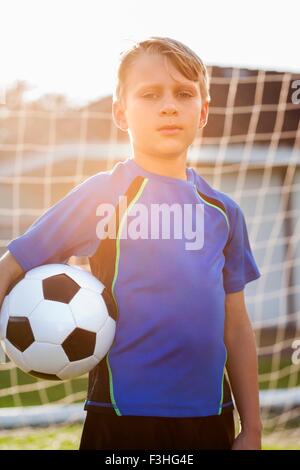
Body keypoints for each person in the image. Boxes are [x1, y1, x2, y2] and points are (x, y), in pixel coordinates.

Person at [0, 37, 262, 450]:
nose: (169, 105)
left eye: (184, 93)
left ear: (204, 112)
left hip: (210, 415)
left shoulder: (223, 211)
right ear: (121, 113)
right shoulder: (101, 195)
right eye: (150, 94)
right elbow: (12, 265)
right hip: (119, 415)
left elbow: (236, 324)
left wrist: (254, 430)